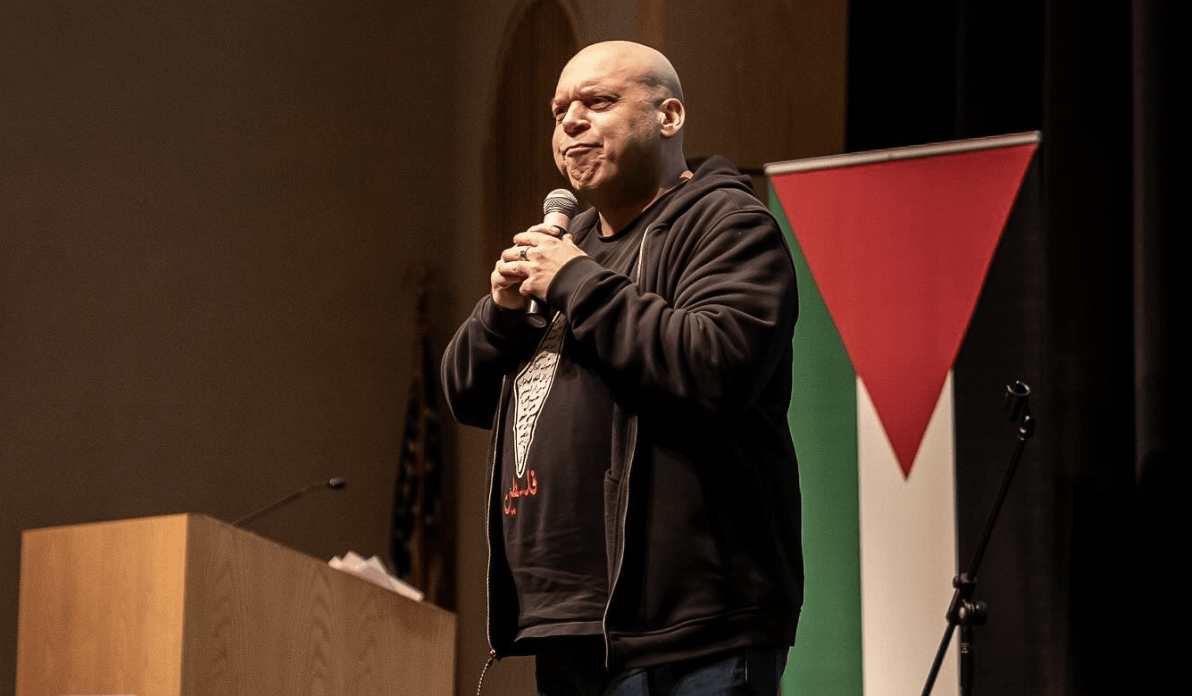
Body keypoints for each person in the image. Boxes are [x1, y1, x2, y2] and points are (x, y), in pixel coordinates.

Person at [441, 40, 803, 696]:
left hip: (694, 631)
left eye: (598, 102)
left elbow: (712, 366)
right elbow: (466, 396)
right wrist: (499, 314)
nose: (571, 121)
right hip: (573, 630)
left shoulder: (729, 226)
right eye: (559, 111)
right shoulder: (565, 249)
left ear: (668, 116)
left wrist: (575, 283)